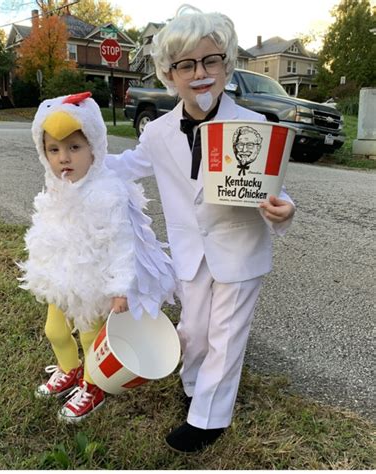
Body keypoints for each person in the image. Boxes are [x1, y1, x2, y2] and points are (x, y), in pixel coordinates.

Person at [105, 5, 295, 452]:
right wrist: (81, 162)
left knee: (226, 334)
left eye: (211, 60)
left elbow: (276, 189)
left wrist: (283, 210)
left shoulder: (254, 126)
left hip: (240, 247)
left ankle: (209, 417)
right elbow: (127, 166)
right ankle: (192, 385)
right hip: (191, 251)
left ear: (227, 64)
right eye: (186, 64)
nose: (200, 73)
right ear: (170, 74)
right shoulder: (157, 132)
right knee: (193, 329)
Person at [18, 92, 175, 423]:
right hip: (62, 276)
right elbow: (47, 225)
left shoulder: (107, 191)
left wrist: (120, 286)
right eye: (54, 149)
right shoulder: (56, 185)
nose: (64, 158)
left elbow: (122, 243)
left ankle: (92, 386)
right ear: (43, 152)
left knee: (92, 338)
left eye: (74, 147)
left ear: (95, 147)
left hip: (93, 281)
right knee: (55, 331)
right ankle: (68, 370)